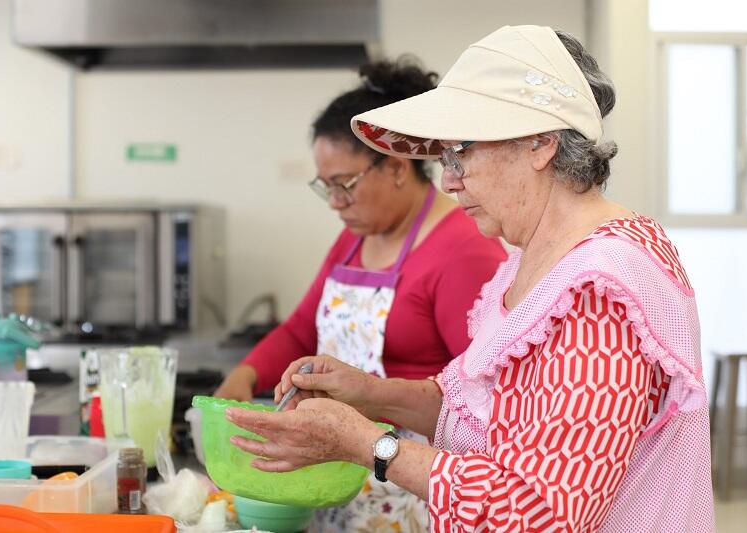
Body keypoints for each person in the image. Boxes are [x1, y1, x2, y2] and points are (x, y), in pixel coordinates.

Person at [225, 25, 715, 532]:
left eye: (461, 153)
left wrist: (364, 443)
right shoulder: (536, 262)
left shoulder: (601, 291)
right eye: (445, 160)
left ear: (541, 145)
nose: (449, 179)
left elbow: (539, 511)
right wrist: (365, 392)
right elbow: (472, 413)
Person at [215, 58, 507, 531]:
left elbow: (483, 399)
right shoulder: (356, 239)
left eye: (344, 185)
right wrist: (241, 380)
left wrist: (372, 411)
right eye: (324, 187)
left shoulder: (462, 250)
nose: (334, 203)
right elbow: (299, 330)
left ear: (394, 166)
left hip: (411, 486)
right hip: (341, 475)